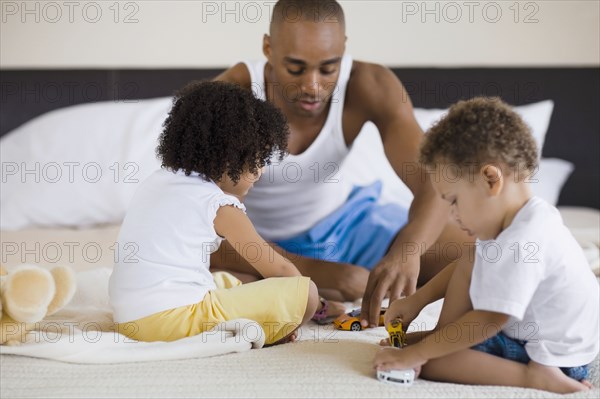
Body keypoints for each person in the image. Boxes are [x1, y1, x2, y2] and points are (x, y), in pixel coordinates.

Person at [212, 0, 472, 327]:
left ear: (343, 50)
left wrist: (408, 252)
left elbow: (433, 181)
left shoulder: (370, 84)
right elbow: (198, 222)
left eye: (328, 68)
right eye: (295, 68)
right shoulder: (228, 96)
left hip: (348, 225)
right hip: (253, 241)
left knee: (483, 255)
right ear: (268, 47)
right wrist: (314, 271)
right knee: (200, 274)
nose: (313, 86)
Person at [373, 97, 599, 394]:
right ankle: (442, 338)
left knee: (435, 364)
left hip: (552, 357)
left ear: (491, 179)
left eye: (454, 200)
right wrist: (418, 300)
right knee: (471, 257)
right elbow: (470, 263)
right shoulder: (528, 216)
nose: (452, 215)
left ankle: (533, 379)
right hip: (533, 338)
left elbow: (488, 320)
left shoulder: (523, 241)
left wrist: (418, 355)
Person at [108, 81, 338, 345]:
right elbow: (281, 269)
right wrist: (318, 304)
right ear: (230, 158)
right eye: (259, 160)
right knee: (304, 291)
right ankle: (271, 331)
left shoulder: (156, 181)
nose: (261, 171)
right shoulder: (219, 205)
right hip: (172, 322)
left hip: (128, 320)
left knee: (229, 280)